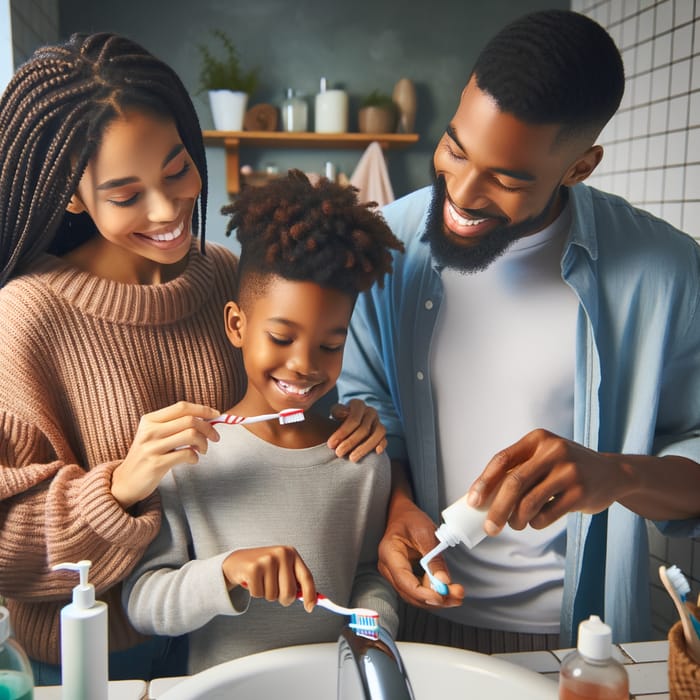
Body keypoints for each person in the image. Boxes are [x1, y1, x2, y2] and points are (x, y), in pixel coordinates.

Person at [0, 34, 386, 685]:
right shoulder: (26, 318)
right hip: (88, 651)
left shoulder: (225, 278)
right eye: (126, 194)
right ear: (73, 194)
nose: (167, 210)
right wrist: (122, 484)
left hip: (220, 635)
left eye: (177, 169)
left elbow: (283, 404)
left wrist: (351, 418)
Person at [337, 8, 700, 653]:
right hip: (411, 626)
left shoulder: (667, 273)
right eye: (454, 147)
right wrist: (397, 509)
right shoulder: (383, 247)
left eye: (506, 178)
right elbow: (368, 413)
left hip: (584, 642)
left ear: (580, 167)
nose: (462, 194)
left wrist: (617, 474)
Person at [123, 170, 403, 674]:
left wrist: (371, 626)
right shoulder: (191, 458)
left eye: (330, 346)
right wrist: (227, 573)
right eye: (280, 338)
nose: (304, 364)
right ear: (237, 325)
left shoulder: (360, 459)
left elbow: (368, 575)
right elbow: (143, 602)